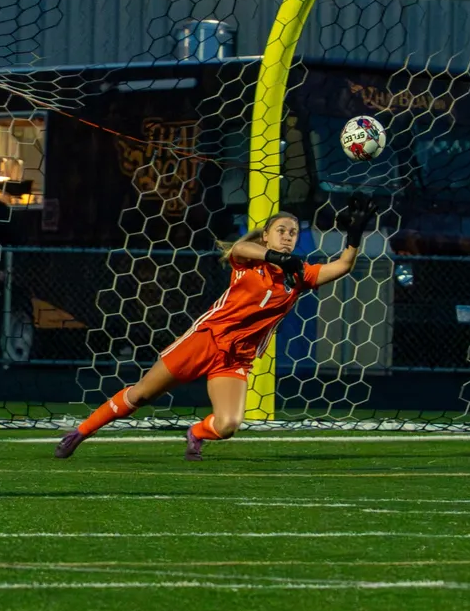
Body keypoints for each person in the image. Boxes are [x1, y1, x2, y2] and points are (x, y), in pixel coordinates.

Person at [56, 195, 377, 461]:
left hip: (235, 359)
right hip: (205, 340)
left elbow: (344, 265)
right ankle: (80, 432)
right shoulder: (253, 260)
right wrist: (276, 258)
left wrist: (354, 235)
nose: (288, 236)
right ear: (266, 235)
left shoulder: (299, 275)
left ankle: (196, 433)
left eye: (293, 232)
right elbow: (239, 248)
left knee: (228, 425)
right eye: (281, 229)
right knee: (141, 394)